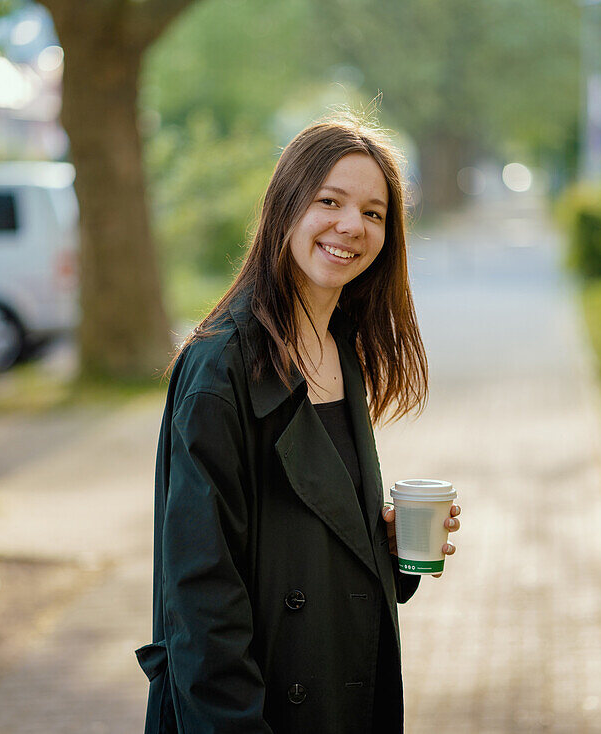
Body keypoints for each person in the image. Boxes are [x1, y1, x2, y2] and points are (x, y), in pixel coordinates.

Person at [136, 114, 461, 734]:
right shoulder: (220, 368)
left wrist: (387, 551)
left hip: (344, 694)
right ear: (286, 206)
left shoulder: (341, 348)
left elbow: (306, 543)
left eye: (373, 213)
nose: (351, 226)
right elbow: (201, 596)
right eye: (330, 201)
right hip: (251, 712)